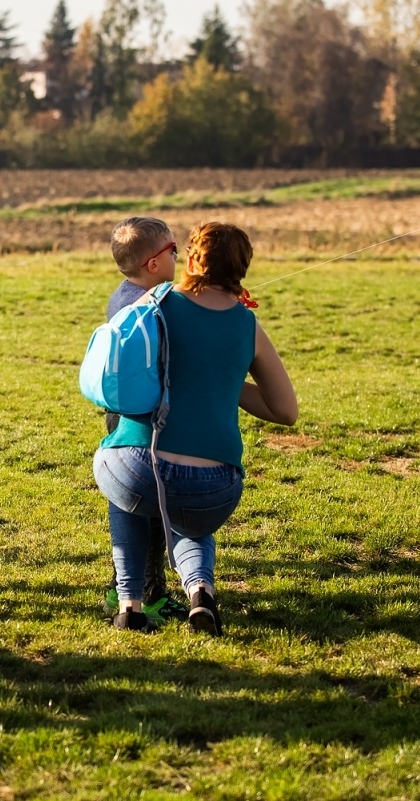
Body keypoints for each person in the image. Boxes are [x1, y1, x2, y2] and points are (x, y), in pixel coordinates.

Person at [93, 222, 298, 635]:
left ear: (190, 258)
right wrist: (222, 375)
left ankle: (129, 602)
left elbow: (115, 372)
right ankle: (200, 592)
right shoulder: (247, 325)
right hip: (216, 484)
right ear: (243, 268)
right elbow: (285, 410)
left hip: (139, 468)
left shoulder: (154, 303)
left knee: (123, 481)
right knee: (192, 517)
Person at [100, 217, 186, 624]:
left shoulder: (131, 293)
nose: (179, 256)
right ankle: (148, 594)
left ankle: (125, 585)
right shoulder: (145, 304)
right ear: (153, 263)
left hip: (125, 417)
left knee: (136, 505)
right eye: (173, 250)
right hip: (138, 423)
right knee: (147, 508)